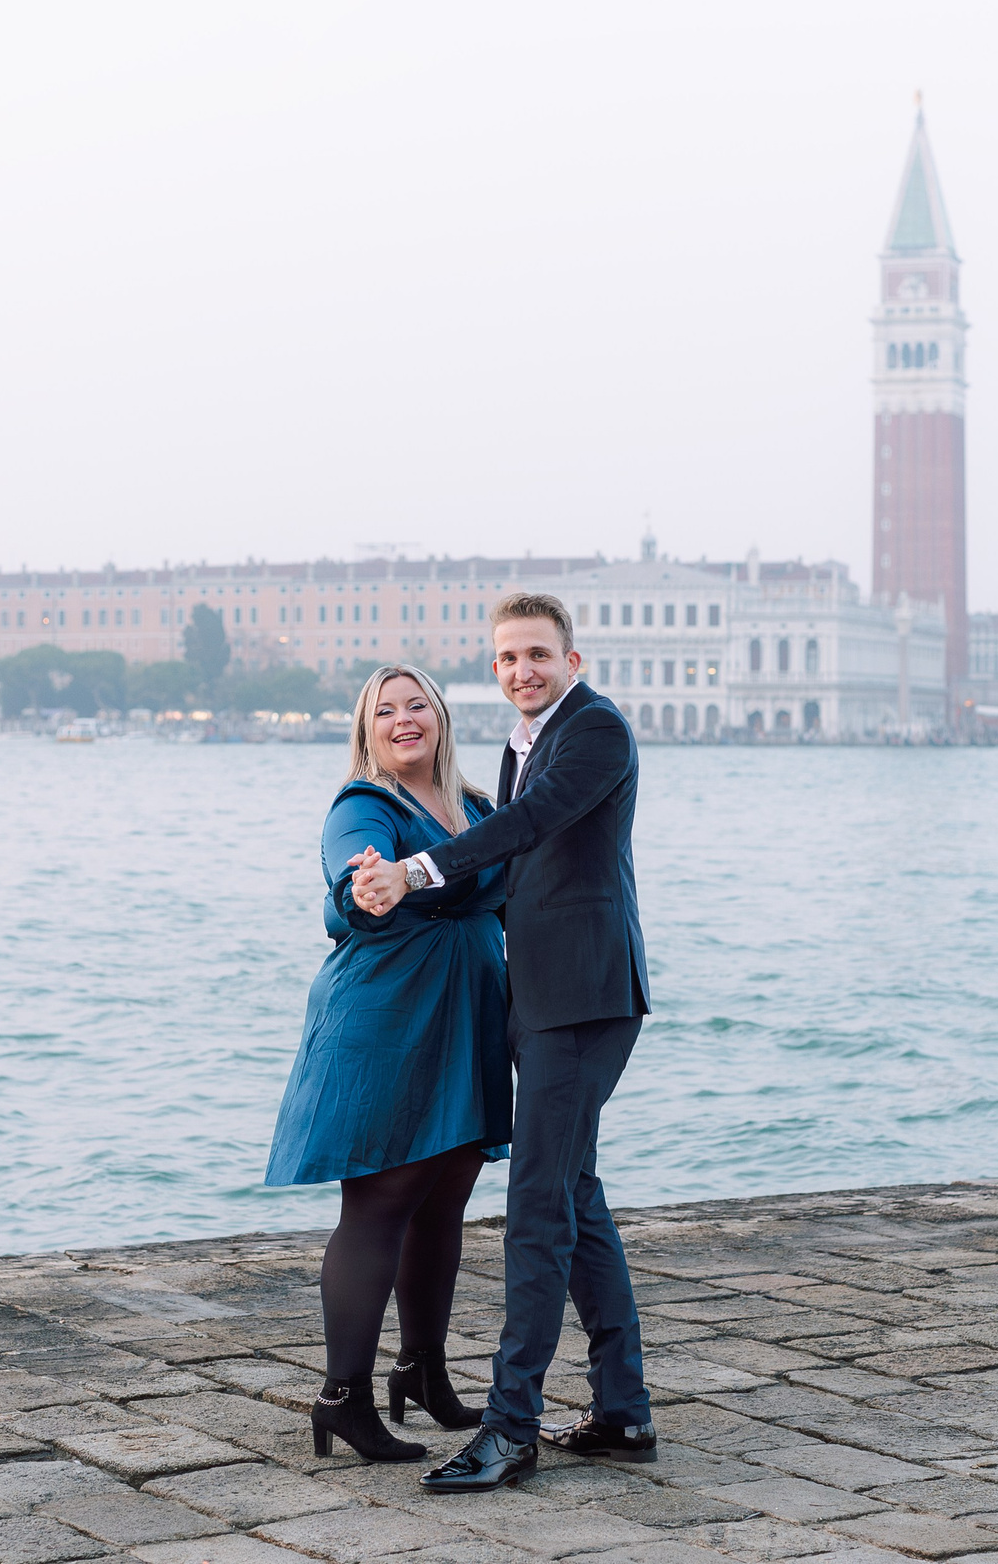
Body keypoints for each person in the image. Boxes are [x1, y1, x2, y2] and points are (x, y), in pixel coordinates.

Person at [347, 592, 655, 1495]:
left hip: (585, 999)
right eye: (508, 658)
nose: (522, 669)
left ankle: (509, 1428)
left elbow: (523, 828)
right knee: (575, 1194)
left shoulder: (594, 732)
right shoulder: (524, 741)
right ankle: (623, 1408)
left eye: (537, 654)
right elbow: (514, 867)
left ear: (574, 659)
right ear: (496, 670)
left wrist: (419, 866)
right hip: (546, 996)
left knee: (536, 1212)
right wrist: (386, 888)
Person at [264, 664, 513, 1463]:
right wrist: (362, 888)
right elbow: (350, 876)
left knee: (445, 1199)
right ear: (366, 730)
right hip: (390, 1022)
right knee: (380, 1202)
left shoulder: (478, 805)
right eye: (385, 711)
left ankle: (424, 1371)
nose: (404, 719)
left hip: (468, 1022)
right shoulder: (365, 803)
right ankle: (344, 1397)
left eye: (417, 704)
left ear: (440, 714)